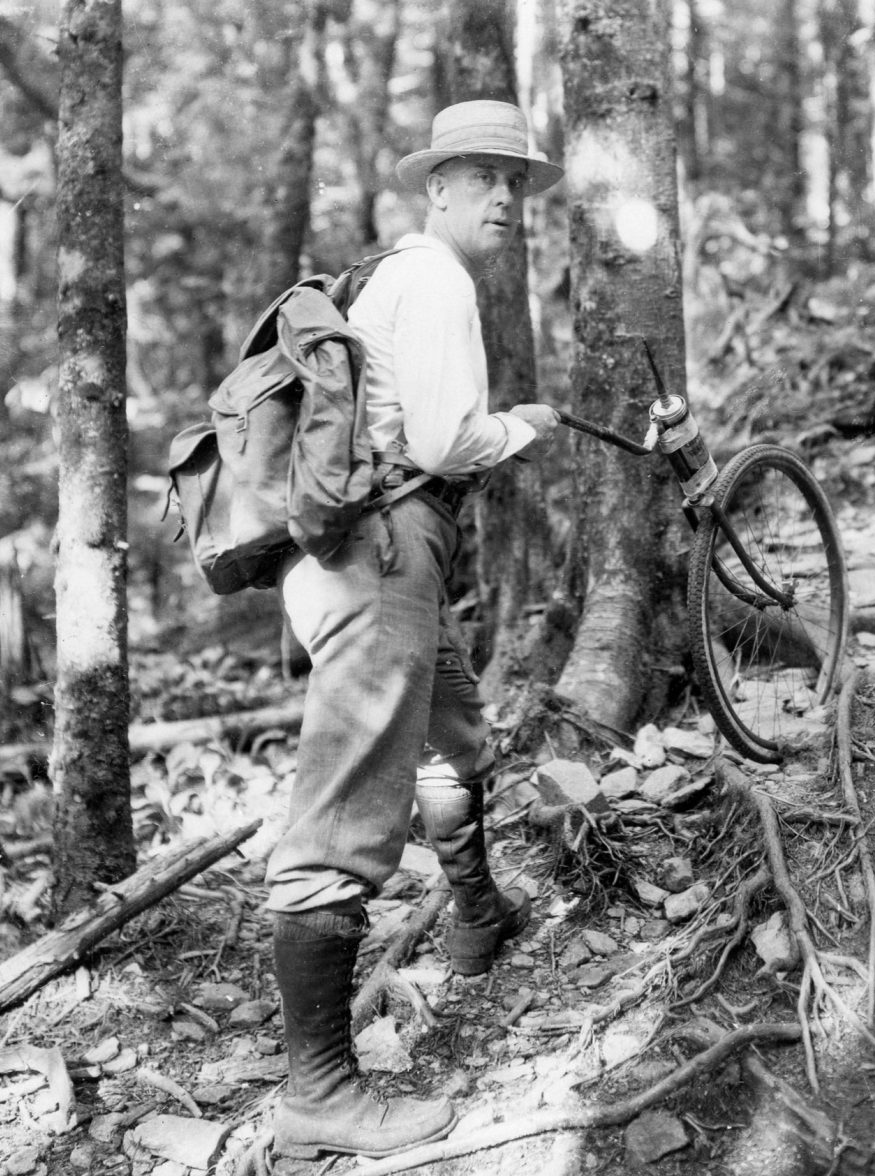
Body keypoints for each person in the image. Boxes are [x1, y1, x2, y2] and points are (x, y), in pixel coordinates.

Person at [263, 100, 564, 1161]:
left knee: (454, 735)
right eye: (488, 179)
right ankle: (321, 1093)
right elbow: (444, 437)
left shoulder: (406, 273)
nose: (507, 202)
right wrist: (518, 426)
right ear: (437, 184)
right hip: (383, 557)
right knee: (344, 817)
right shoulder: (435, 275)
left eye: (518, 185)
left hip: (387, 554)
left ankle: (478, 916)